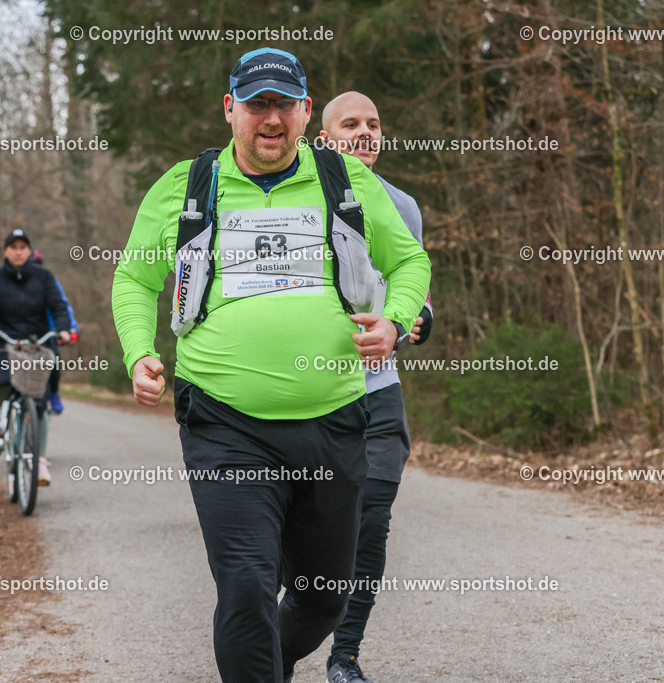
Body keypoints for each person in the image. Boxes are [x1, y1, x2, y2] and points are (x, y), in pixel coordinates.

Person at [111, 48, 430, 683]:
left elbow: (409, 263)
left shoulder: (346, 182)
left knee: (322, 596)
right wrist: (139, 352)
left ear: (306, 112)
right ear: (230, 109)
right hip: (224, 421)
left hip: (335, 417)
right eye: (257, 104)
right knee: (247, 584)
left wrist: (393, 319)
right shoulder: (186, 185)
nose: (271, 118)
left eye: (284, 104)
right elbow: (136, 279)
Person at [319, 91, 434, 683]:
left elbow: (414, 290)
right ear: (324, 137)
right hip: (309, 395)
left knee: (373, 520)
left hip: (377, 389)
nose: (365, 132)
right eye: (351, 124)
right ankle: (283, 637)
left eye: (374, 122)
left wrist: (415, 322)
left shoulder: (403, 207)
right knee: (312, 533)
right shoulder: (301, 198)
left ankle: (346, 656)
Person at [0, 229, 70, 485]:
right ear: (6, 251)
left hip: (37, 340)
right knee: (3, 372)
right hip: (6, 338)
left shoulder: (44, 276)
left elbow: (58, 305)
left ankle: (39, 462)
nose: (18, 251)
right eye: (13, 247)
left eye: (23, 247)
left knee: (40, 403)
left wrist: (63, 329)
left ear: (29, 251)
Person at [0, 250, 78, 414]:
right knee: (5, 367)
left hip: (46, 332)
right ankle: (0, 411)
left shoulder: (49, 282)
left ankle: (54, 394)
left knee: (53, 362)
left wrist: (70, 329)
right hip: (17, 335)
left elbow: (63, 307)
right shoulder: (9, 284)